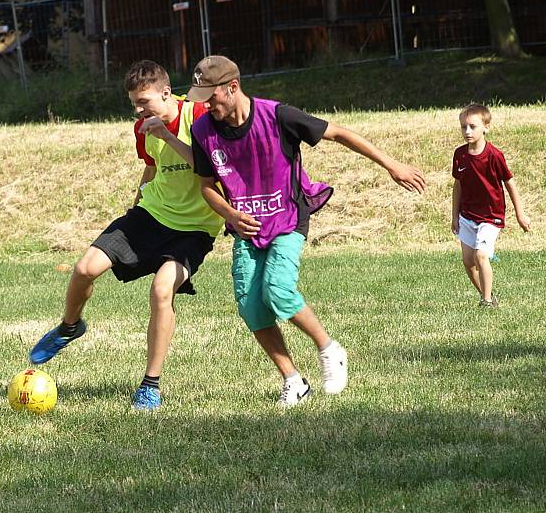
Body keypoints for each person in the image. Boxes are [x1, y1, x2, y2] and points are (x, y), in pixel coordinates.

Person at [187, 55, 427, 408]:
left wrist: (392, 165)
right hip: (245, 227)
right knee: (252, 307)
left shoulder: (278, 116)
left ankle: (330, 349)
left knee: (278, 291)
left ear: (232, 87)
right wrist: (230, 215)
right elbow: (206, 186)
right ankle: (293, 380)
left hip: (287, 217)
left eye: (211, 97)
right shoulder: (203, 131)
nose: (206, 105)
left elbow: (339, 133)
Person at [29, 60, 223, 410]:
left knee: (162, 290)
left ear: (166, 93)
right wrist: (135, 210)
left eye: (144, 101)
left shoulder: (200, 117)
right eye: (133, 101)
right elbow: (152, 168)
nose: (137, 109)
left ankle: (150, 385)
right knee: (85, 268)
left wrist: (166, 135)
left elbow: (211, 165)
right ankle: (70, 327)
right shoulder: (142, 128)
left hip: (195, 229)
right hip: (151, 215)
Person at [451, 103, 530, 308]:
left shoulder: (494, 156)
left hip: (491, 215)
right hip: (467, 215)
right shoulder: (460, 155)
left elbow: (509, 183)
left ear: (486, 127)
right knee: (468, 262)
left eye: (472, 126)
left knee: (481, 255)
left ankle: (485, 302)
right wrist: (454, 216)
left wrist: (520, 214)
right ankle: (489, 296)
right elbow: (457, 185)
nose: (467, 131)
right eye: (463, 127)